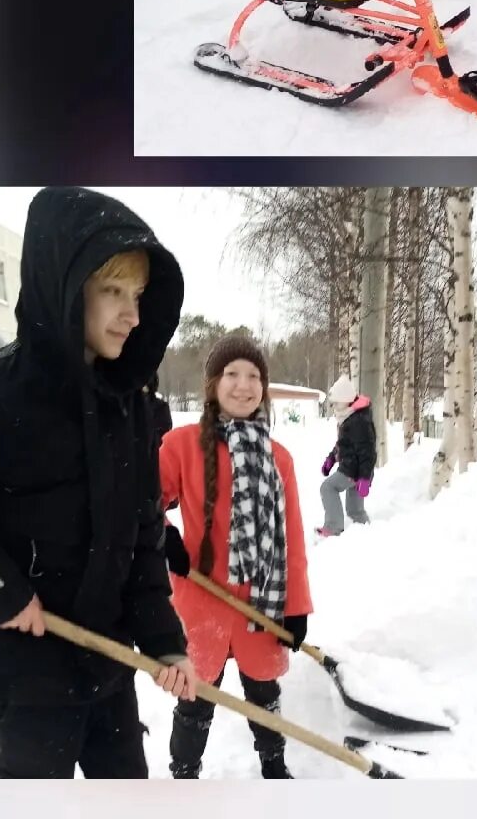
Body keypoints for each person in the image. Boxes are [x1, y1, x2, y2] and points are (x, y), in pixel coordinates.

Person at [0, 188, 196, 779]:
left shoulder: (133, 408)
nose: (133, 315)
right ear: (64, 287)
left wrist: (164, 641)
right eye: (113, 291)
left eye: (139, 295)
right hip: (25, 665)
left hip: (106, 659)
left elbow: (141, 534)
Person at [159, 332, 311, 780]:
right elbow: (138, 499)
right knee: (195, 696)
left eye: (253, 376)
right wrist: (163, 534)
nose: (243, 385)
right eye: (231, 374)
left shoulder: (278, 457)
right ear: (212, 384)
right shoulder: (182, 444)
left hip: (258, 604)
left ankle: (274, 771)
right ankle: (184, 776)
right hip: (201, 597)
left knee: (264, 694)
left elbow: (293, 538)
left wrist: (296, 609)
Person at [318, 374, 377, 537]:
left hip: (354, 471)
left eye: (337, 402)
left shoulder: (358, 421)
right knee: (355, 511)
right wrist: (331, 458)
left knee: (327, 488)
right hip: (356, 469)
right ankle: (366, 534)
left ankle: (333, 527)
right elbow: (345, 444)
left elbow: (368, 451)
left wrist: (364, 478)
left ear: (345, 399)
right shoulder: (352, 417)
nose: (335, 406)